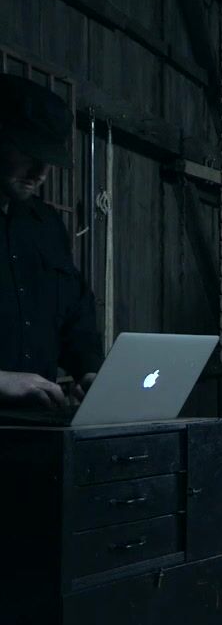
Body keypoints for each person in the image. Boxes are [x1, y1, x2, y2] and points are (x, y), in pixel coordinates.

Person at [0, 74, 102, 409]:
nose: (41, 172)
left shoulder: (46, 225)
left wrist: (89, 371)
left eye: (48, 158)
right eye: (30, 153)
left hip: (38, 427)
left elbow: (75, 311)